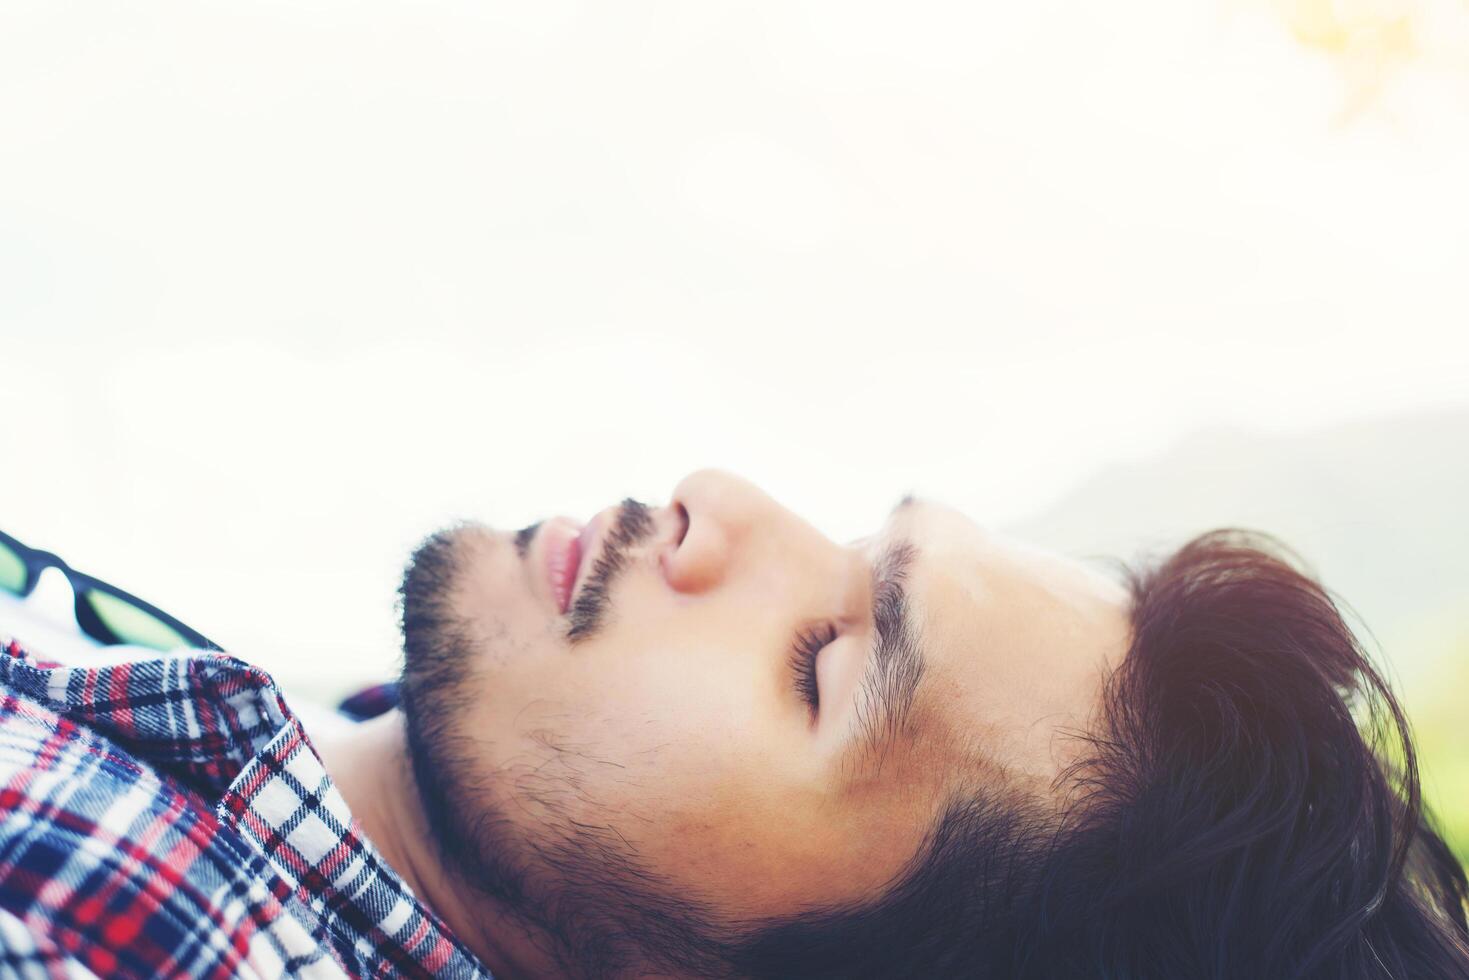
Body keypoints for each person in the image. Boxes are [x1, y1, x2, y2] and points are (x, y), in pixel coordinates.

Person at [0, 470, 1465, 978]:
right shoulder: (267, 749)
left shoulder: (139, 925)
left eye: (820, 662)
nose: (719, 503)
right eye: (845, 542)